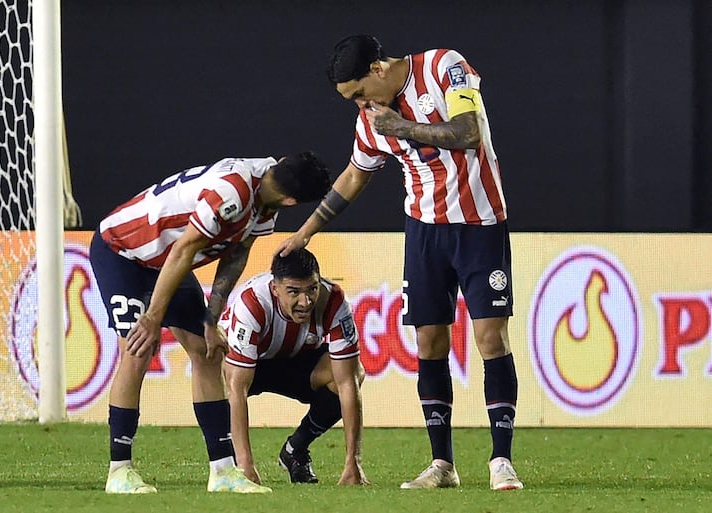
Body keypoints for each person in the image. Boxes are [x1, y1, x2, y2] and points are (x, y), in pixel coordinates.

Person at [278, 35, 523, 491]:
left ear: (377, 70)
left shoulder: (443, 66)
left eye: (357, 93)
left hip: (480, 225)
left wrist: (402, 128)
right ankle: (442, 465)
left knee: (490, 338)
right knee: (429, 342)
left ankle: (501, 460)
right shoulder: (371, 120)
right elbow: (355, 174)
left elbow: (470, 131)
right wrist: (306, 230)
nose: (357, 104)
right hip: (424, 233)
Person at [90, 152, 330, 494]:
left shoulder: (265, 193)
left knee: (208, 351)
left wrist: (211, 318)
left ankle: (223, 471)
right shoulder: (233, 192)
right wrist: (153, 317)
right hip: (124, 252)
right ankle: (120, 470)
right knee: (139, 348)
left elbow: (236, 253)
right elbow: (185, 248)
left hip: (166, 260)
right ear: (293, 201)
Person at [220, 248, 368, 486]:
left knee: (353, 373)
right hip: (252, 365)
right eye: (294, 292)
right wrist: (246, 465)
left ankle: (295, 450)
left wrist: (353, 463)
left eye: (312, 289)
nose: (305, 301)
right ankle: (223, 460)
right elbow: (237, 387)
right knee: (219, 375)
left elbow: (347, 383)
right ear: (275, 289)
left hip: (298, 363)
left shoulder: (334, 300)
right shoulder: (252, 303)